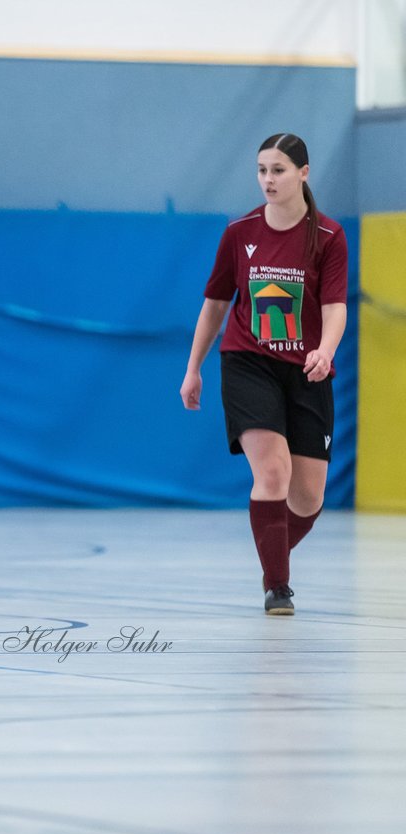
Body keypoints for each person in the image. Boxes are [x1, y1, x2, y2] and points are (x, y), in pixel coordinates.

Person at [180, 133, 348, 616]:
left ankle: (273, 554)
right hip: (247, 363)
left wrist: (324, 349)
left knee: (309, 495)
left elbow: (335, 308)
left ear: (303, 173)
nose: (268, 179)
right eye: (261, 170)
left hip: (307, 372)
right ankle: (278, 586)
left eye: (278, 169)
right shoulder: (240, 233)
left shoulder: (330, 237)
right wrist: (193, 369)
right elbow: (214, 306)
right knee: (272, 472)